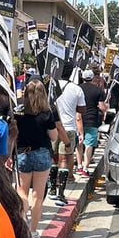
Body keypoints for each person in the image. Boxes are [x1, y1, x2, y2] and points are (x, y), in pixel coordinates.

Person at [13, 80, 57, 238]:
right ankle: (33, 231)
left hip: (23, 153)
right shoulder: (47, 113)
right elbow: (53, 136)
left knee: (22, 191)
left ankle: (23, 223)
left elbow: (13, 134)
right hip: (42, 153)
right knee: (38, 194)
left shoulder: (19, 112)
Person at [50, 63, 86, 203]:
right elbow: (82, 110)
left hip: (52, 126)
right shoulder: (76, 89)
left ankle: (52, 188)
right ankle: (60, 193)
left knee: (53, 158)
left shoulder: (51, 86)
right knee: (64, 159)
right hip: (69, 127)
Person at [77, 70, 107, 175]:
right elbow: (102, 107)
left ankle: (79, 166)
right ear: (92, 77)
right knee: (89, 144)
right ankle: (85, 168)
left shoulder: (78, 88)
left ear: (83, 77)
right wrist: (106, 108)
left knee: (79, 143)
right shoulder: (98, 90)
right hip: (92, 119)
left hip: (78, 118)